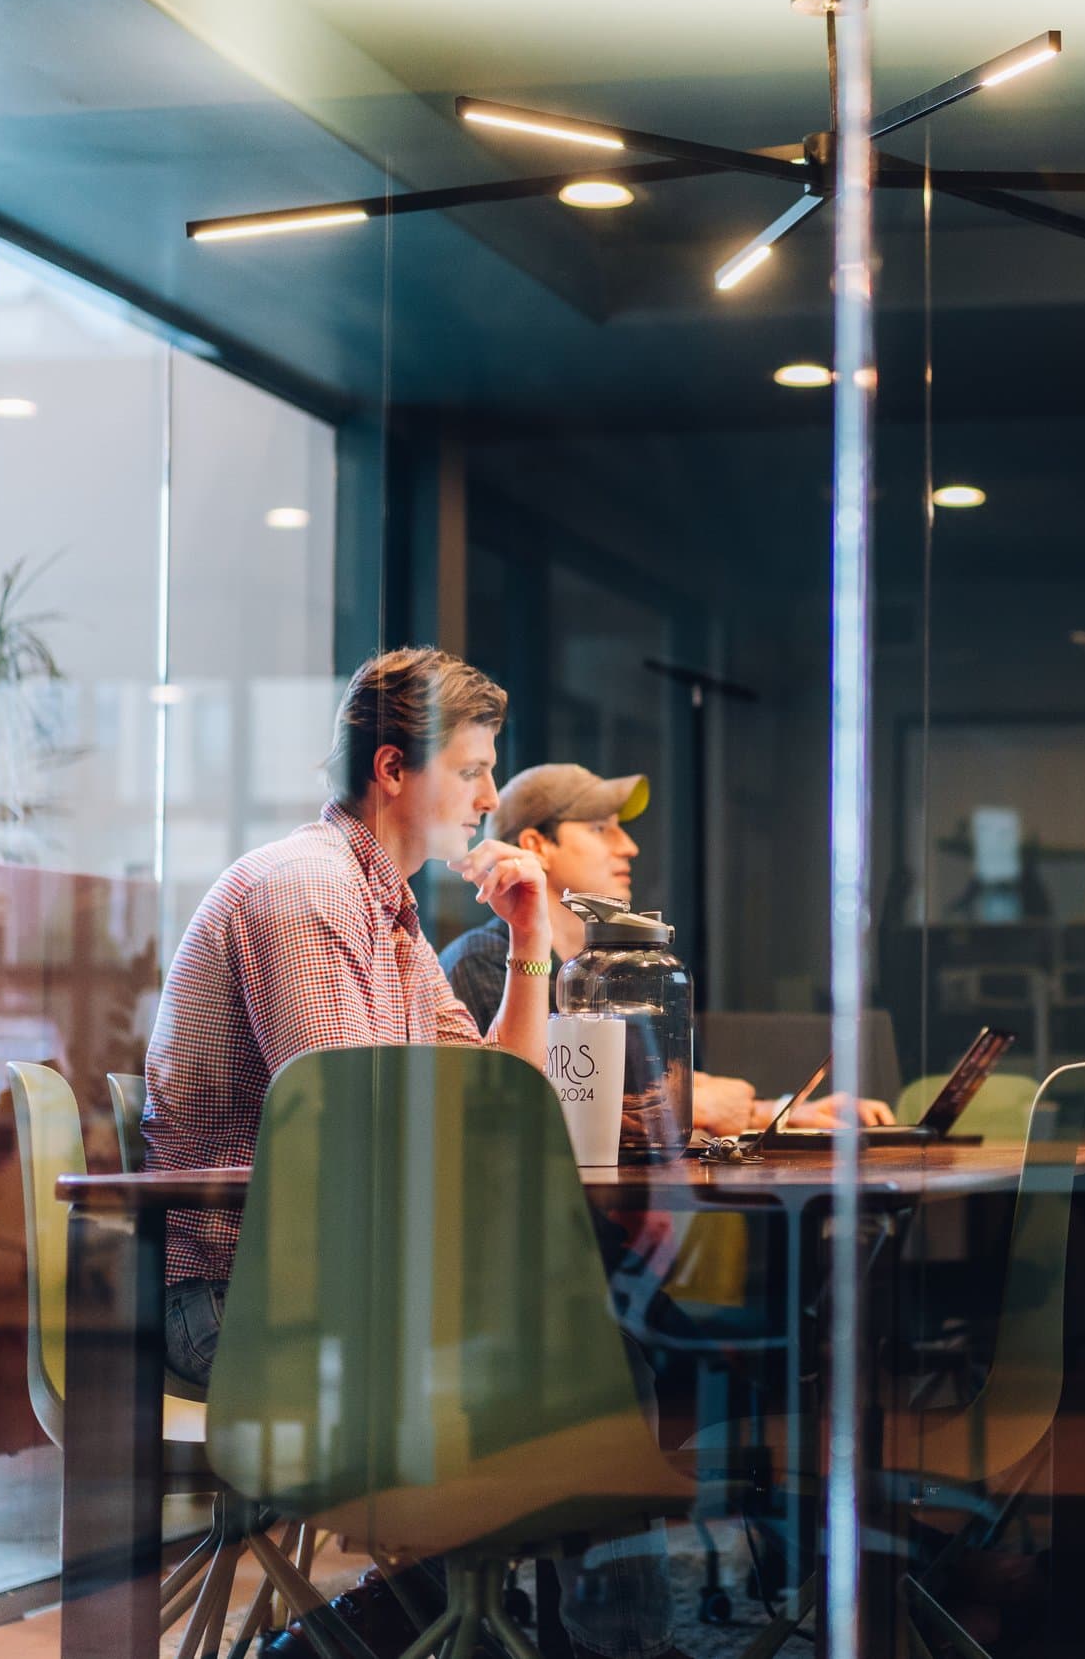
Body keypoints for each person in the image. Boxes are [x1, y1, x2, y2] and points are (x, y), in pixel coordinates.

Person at [141, 649, 684, 1659]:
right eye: (472, 769)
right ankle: (534, 1640)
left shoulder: (387, 915)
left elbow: (497, 1101)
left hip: (324, 1287)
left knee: (602, 1353)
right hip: (241, 1306)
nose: (486, 796)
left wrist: (528, 939)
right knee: (592, 1366)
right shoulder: (304, 891)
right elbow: (354, 1142)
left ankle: (451, 1629)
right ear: (393, 768)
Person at [438, 762, 894, 1134]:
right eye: (600, 829)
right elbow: (538, 1104)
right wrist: (691, 1104)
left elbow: (665, 1089)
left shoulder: (618, 970)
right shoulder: (484, 962)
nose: (630, 847)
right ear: (537, 845)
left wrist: (780, 1112)